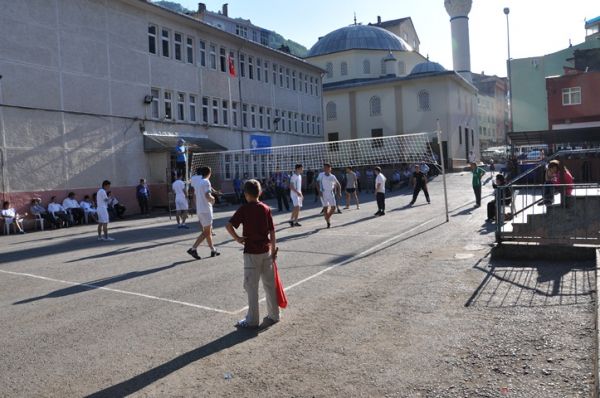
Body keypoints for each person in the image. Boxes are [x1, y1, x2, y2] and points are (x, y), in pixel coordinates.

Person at [226, 179, 279, 329]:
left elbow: (229, 225)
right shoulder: (266, 208)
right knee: (269, 284)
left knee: (251, 286)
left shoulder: (244, 209)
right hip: (266, 250)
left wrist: (237, 239)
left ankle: (252, 319)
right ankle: (274, 314)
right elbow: (272, 231)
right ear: (260, 192)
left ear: (246, 194)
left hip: (251, 253)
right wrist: (273, 249)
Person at [187, 166, 220, 259]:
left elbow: (196, 196)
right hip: (206, 210)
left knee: (208, 232)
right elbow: (207, 195)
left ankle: (213, 250)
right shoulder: (206, 181)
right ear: (209, 173)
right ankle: (193, 249)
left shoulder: (198, 183)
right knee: (206, 232)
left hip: (200, 209)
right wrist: (213, 199)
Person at [316, 163, 340, 228]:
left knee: (333, 207)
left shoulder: (332, 176)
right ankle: (328, 222)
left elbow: (338, 184)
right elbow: (317, 183)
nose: (325, 169)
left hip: (330, 193)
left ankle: (327, 217)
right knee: (325, 208)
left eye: (326, 168)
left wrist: (339, 192)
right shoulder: (321, 175)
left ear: (330, 168)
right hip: (323, 193)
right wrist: (319, 191)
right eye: (324, 168)